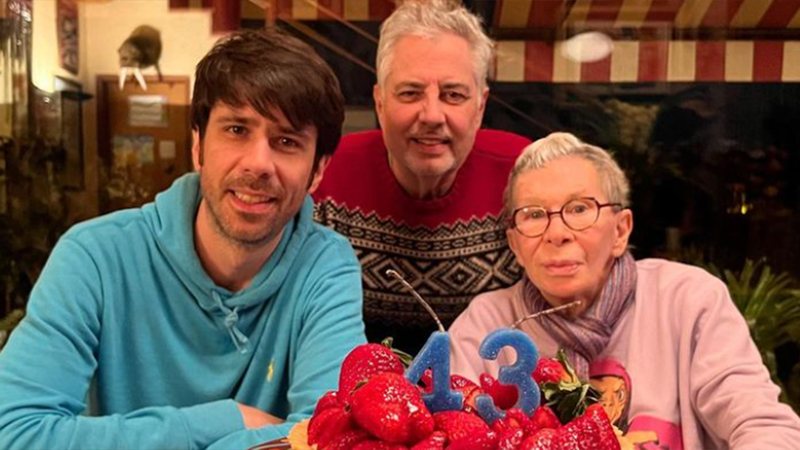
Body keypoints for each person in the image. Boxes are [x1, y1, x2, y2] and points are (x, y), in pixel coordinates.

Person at [0, 29, 366, 450]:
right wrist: (223, 420)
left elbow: (333, 439)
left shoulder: (326, 266)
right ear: (198, 146)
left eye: (286, 142)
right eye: (236, 129)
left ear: (317, 171)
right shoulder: (93, 258)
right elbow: (16, 432)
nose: (258, 163)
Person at [449, 132, 800, 448]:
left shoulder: (689, 300)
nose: (557, 233)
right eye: (534, 214)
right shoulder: (487, 325)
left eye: (579, 208)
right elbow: (447, 430)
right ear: (514, 243)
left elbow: (762, 424)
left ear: (620, 231)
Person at [313, 0, 531, 354]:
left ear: (480, 107)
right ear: (380, 103)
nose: (432, 115)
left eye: (453, 95)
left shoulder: (525, 178)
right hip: (353, 388)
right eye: (410, 93)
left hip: (488, 393)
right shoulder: (324, 180)